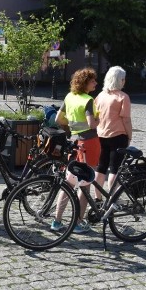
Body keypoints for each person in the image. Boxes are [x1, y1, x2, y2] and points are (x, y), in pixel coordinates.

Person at [51, 68, 100, 233]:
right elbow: (92, 124)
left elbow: (58, 119)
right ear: (86, 83)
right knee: (85, 186)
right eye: (93, 81)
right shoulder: (88, 100)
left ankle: (57, 221)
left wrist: (69, 131)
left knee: (69, 184)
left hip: (73, 142)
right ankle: (78, 223)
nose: (96, 83)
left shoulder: (69, 97)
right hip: (89, 144)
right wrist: (100, 119)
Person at [94, 66, 132, 194]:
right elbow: (126, 119)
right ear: (120, 80)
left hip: (101, 135)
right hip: (118, 136)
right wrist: (129, 136)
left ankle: (97, 198)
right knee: (114, 169)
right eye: (123, 79)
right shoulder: (123, 97)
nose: (124, 81)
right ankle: (111, 199)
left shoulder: (100, 95)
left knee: (100, 168)